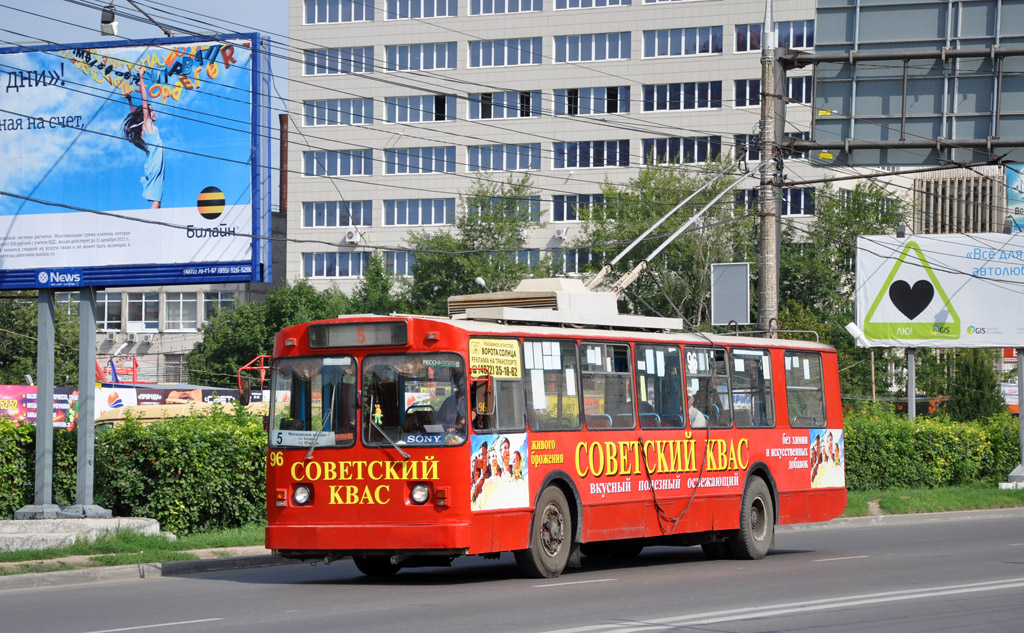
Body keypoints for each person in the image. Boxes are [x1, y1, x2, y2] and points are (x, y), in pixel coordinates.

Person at [122, 73, 164, 208]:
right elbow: (144, 100)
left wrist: (130, 101)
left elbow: (136, 115)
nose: (154, 113)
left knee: (158, 199)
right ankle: (149, 225)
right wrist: (141, 77)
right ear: (147, 115)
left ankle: (154, 223)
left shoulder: (143, 128)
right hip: (155, 162)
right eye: (152, 111)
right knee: (157, 200)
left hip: (153, 162)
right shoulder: (148, 126)